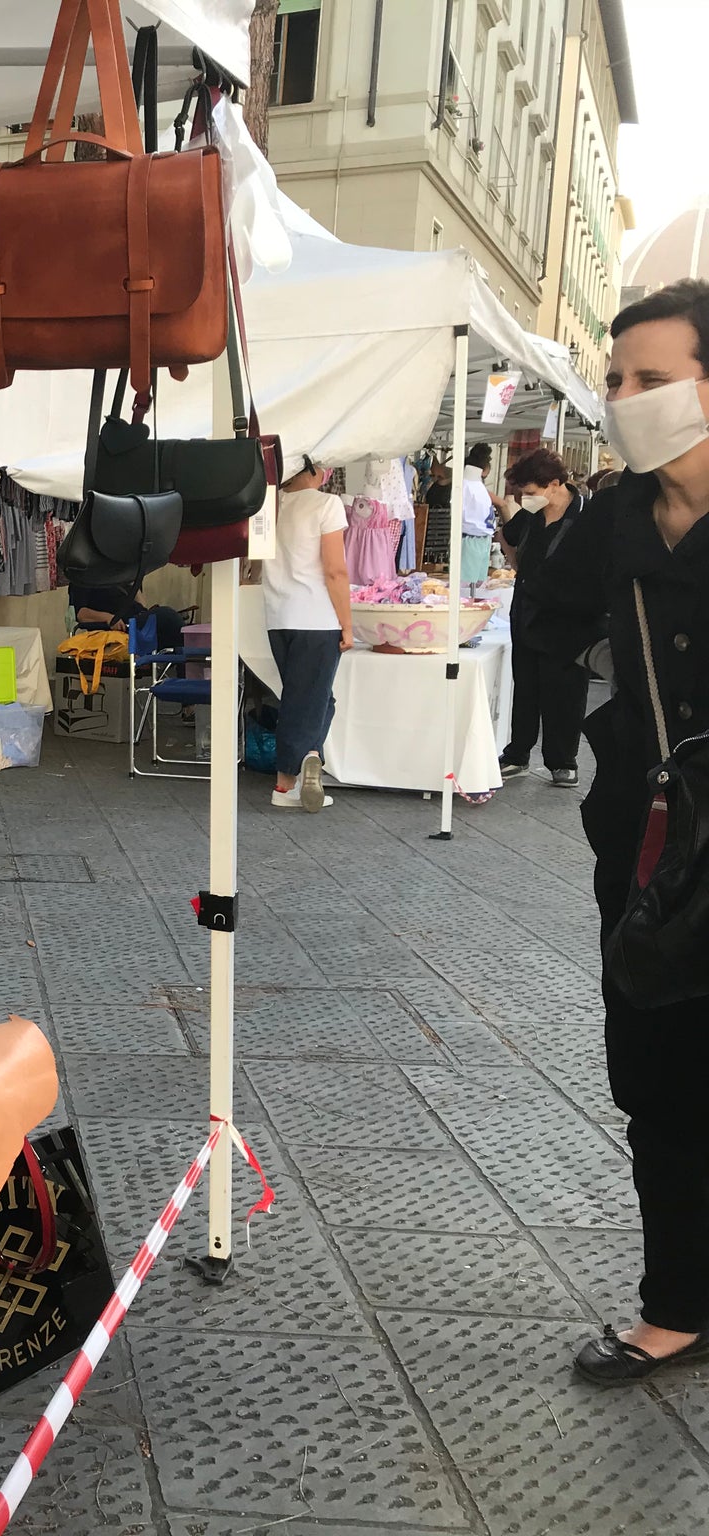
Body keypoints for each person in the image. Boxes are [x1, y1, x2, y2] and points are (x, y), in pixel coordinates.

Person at [525, 280, 709, 1384]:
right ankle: (675, 1304)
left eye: (651, 378)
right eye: (615, 379)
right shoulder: (610, 517)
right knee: (654, 1074)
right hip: (647, 845)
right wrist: (619, 718)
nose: (626, 398)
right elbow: (542, 625)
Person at [498, 447, 596, 787]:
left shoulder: (587, 516)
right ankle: (517, 753)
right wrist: (516, 563)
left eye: (530, 492)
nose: (526, 499)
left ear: (554, 484)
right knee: (525, 685)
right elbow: (508, 538)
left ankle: (562, 761)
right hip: (527, 607)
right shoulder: (531, 515)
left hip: (568, 616)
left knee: (565, 689)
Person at [259, 457, 352, 810]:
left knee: (316, 700)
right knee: (304, 702)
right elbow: (335, 571)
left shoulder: (269, 506)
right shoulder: (326, 504)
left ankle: (310, 757)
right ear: (313, 469)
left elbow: (253, 561)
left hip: (278, 616)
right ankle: (286, 784)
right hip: (317, 616)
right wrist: (347, 623)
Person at [71, 581, 184, 652]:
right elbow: (81, 614)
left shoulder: (121, 574)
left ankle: (184, 678)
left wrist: (132, 584)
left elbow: (142, 606)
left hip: (137, 620)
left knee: (182, 636)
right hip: (120, 627)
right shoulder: (85, 576)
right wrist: (109, 618)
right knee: (168, 617)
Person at [459, 441, 505, 591]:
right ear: (485, 469)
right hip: (470, 537)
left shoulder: (475, 486)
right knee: (467, 585)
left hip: (481, 537)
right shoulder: (466, 485)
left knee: (476, 585)